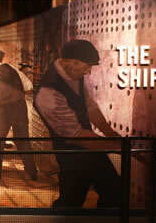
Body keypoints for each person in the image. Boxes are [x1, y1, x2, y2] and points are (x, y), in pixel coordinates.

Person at [32, 39, 122, 208]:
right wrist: (117, 145)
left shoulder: (72, 74)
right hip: (72, 155)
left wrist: (109, 132)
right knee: (71, 202)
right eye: (87, 67)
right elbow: (76, 136)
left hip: (91, 148)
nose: (88, 72)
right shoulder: (48, 92)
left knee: (114, 190)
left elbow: (88, 105)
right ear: (73, 62)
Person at [0, 49, 38, 180]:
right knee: (23, 139)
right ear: (1, 59)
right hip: (20, 107)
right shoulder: (12, 69)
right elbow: (28, 86)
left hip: (3, 110)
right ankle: (32, 171)